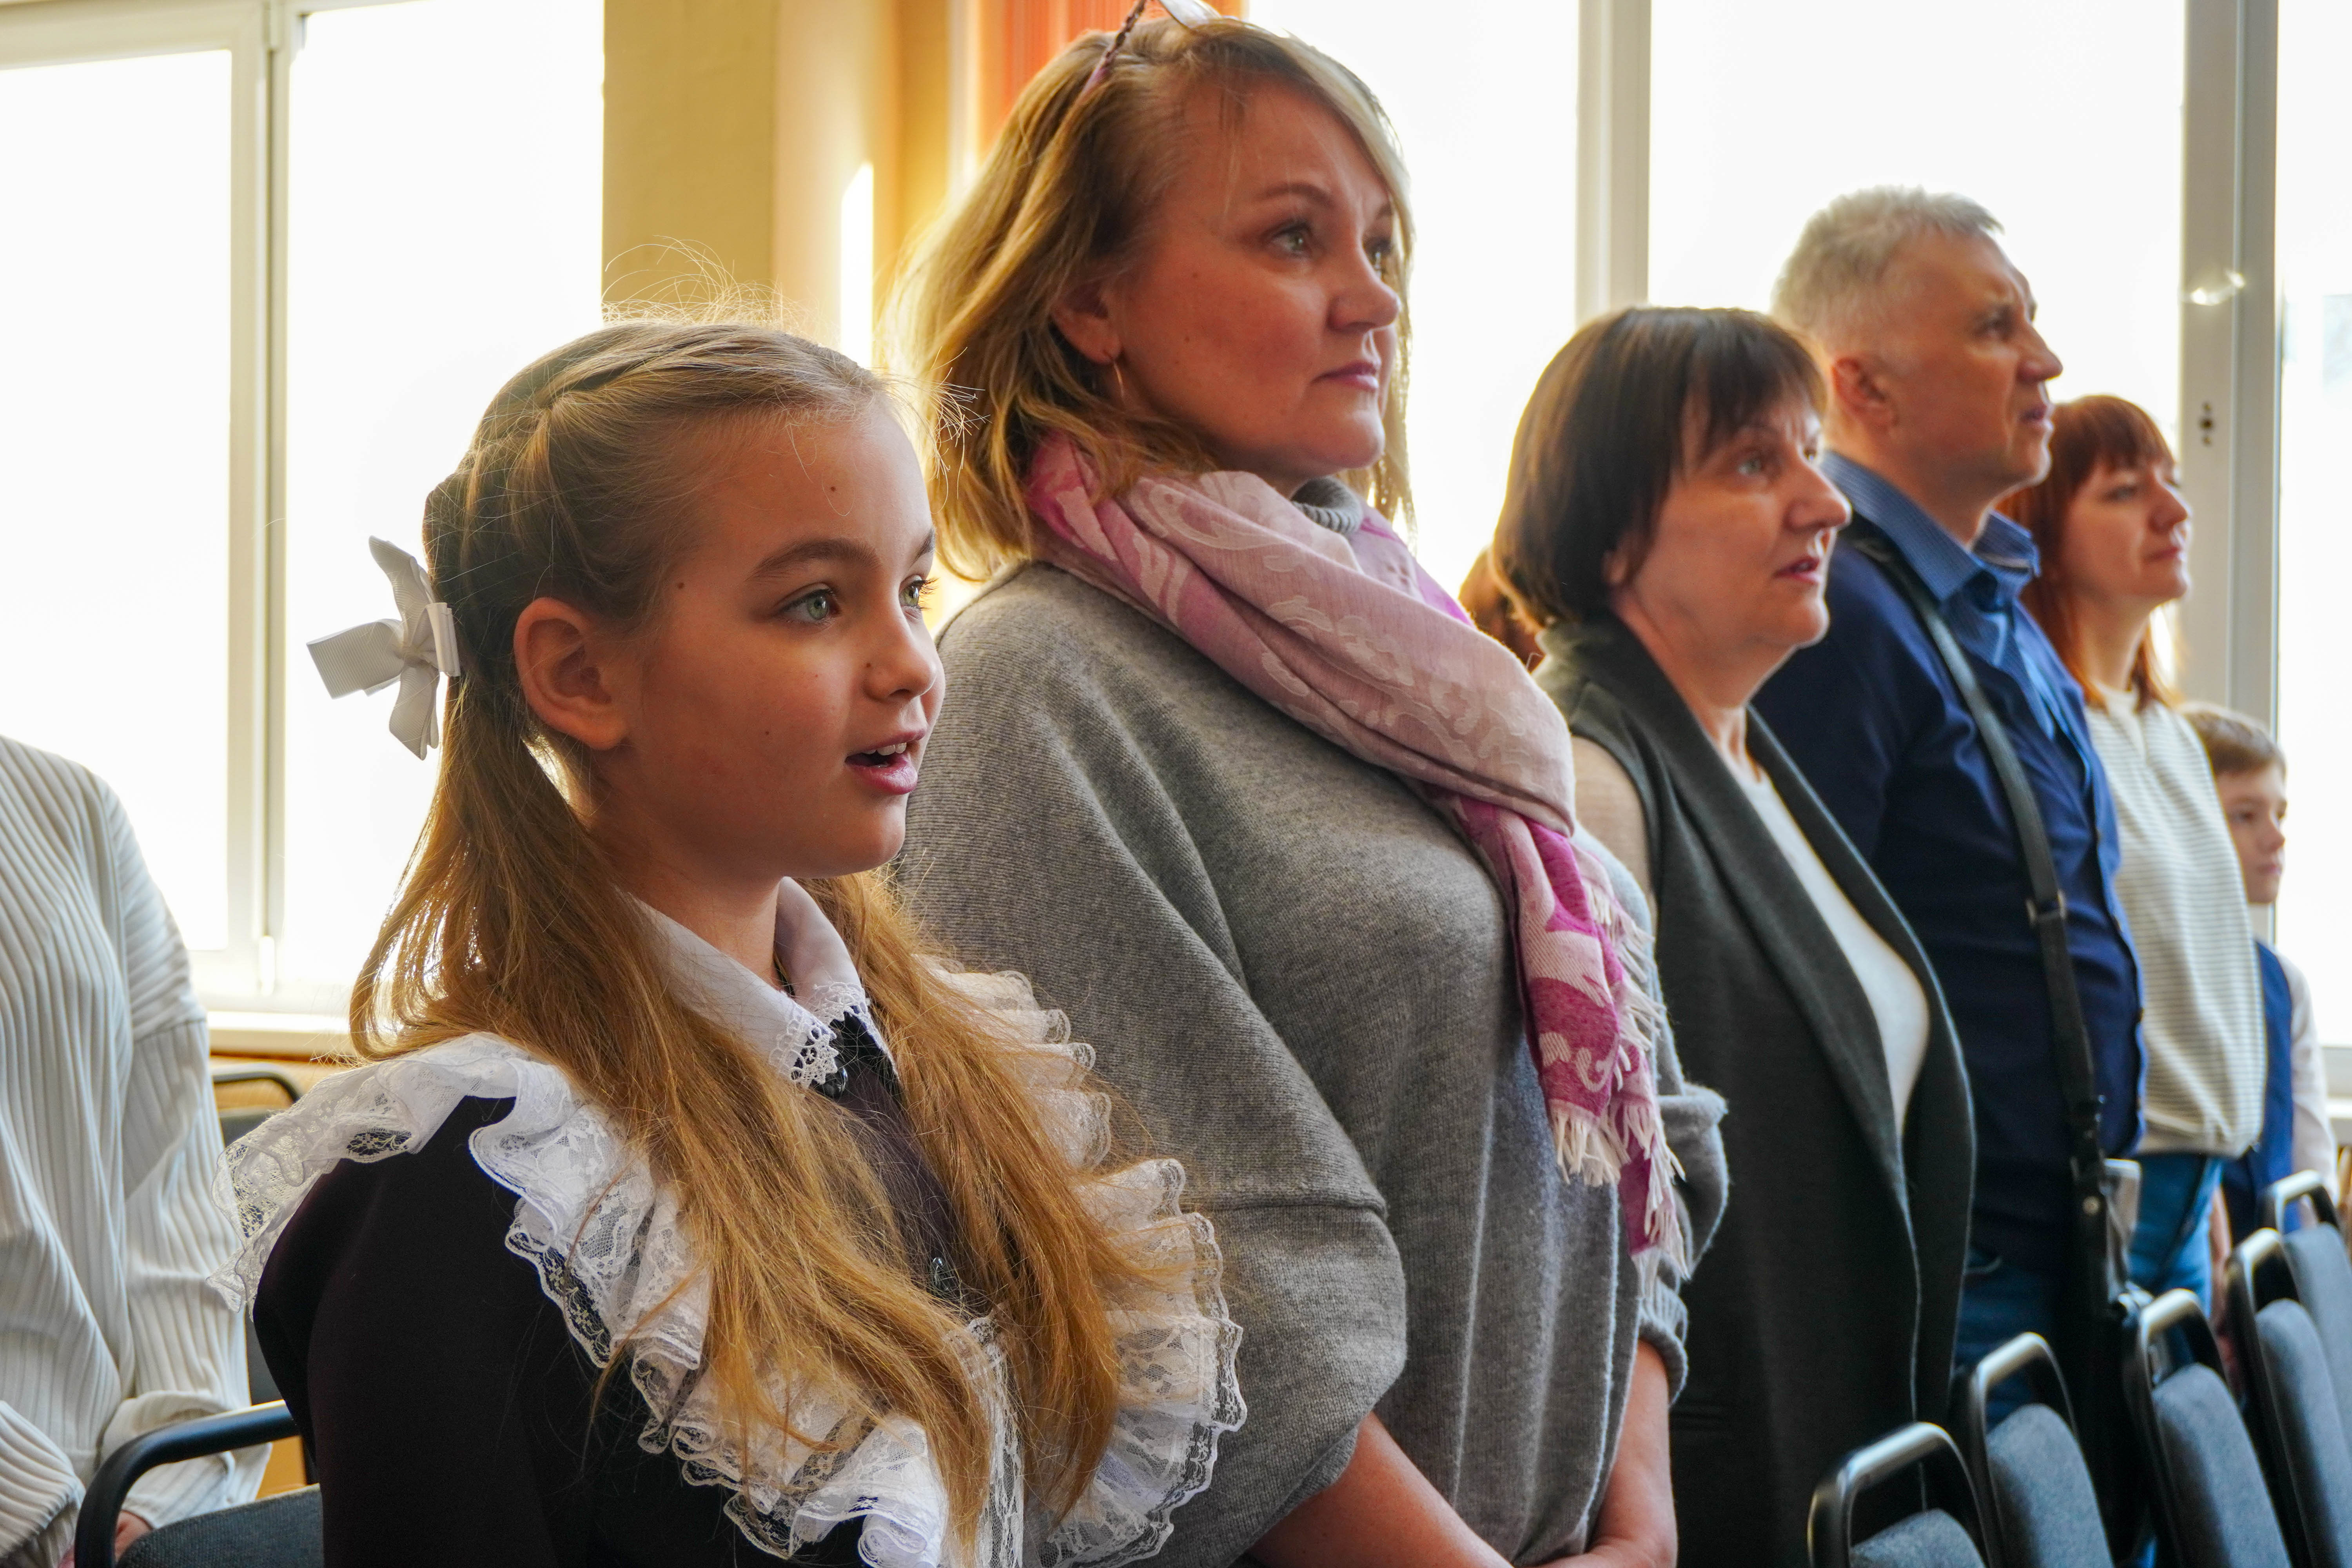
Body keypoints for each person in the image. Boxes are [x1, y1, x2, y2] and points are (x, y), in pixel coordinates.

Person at [892, 12, 1725, 1567]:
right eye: (1293, 237)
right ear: (1090, 301)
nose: (1373, 296)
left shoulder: (1422, 661)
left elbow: (1639, 1140)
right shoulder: (1035, 686)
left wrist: (1643, 1515)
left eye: (1381, 244)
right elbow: (1175, 1298)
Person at [214, 320, 1243, 1566]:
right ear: (580, 673)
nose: (914, 665)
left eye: (914, 591)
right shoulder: (485, 1182)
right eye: (815, 603)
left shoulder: (936, 1064)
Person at [1493, 305, 1974, 1568]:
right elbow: (1586, 1207)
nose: (1827, 503)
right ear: (1610, 529)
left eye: (1812, 452)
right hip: (1718, 1486)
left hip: (1837, 1447)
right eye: (1757, 463)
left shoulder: (1744, 751)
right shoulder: (1592, 774)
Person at [1751, 189, 2144, 1384]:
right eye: (1994, 328)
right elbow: (1802, 980)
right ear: (1864, 388)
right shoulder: (1836, 610)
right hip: (1958, 1266)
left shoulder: (1989, 600)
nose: (2046, 361)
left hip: (2049, 1244)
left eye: (2032, 321)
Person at [2006, 395, 2263, 1307]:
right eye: (2125, 490)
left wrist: (2216, 1182)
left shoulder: (2171, 732)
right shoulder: (2047, 728)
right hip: (2117, 1185)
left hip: (2196, 1188)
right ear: (2043, 533)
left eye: (2173, 482)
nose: (2174, 511)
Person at [0, 741, 265, 1568]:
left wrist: (165, 1494)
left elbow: (174, 1188)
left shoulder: (78, 809)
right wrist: (40, 1516)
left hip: (120, 1515)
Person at [2183, 705, 2336, 1235]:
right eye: (2245, 816)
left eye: (2280, 815)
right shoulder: (2146, 973)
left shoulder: (2284, 983)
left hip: (2274, 1260)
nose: (2276, 838)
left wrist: (2317, 1259)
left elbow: (2310, 1151)